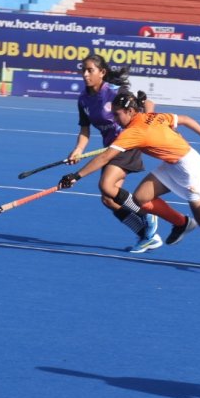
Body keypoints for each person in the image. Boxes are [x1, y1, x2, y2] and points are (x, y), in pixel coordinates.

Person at [59, 89, 200, 269]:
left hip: (191, 170)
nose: (115, 120)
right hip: (172, 165)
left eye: (117, 115)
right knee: (140, 198)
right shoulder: (149, 116)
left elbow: (105, 157)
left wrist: (76, 176)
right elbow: (184, 119)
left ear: (130, 111)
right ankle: (181, 223)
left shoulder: (133, 132)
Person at [66, 53, 160, 253]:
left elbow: (147, 106)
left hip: (127, 144)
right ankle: (146, 235)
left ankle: (146, 214)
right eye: (83, 69)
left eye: (90, 70)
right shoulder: (83, 99)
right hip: (110, 147)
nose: (85, 74)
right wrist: (78, 150)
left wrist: (140, 128)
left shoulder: (116, 92)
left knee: (106, 185)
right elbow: (85, 129)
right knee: (108, 199)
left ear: (102, 73)